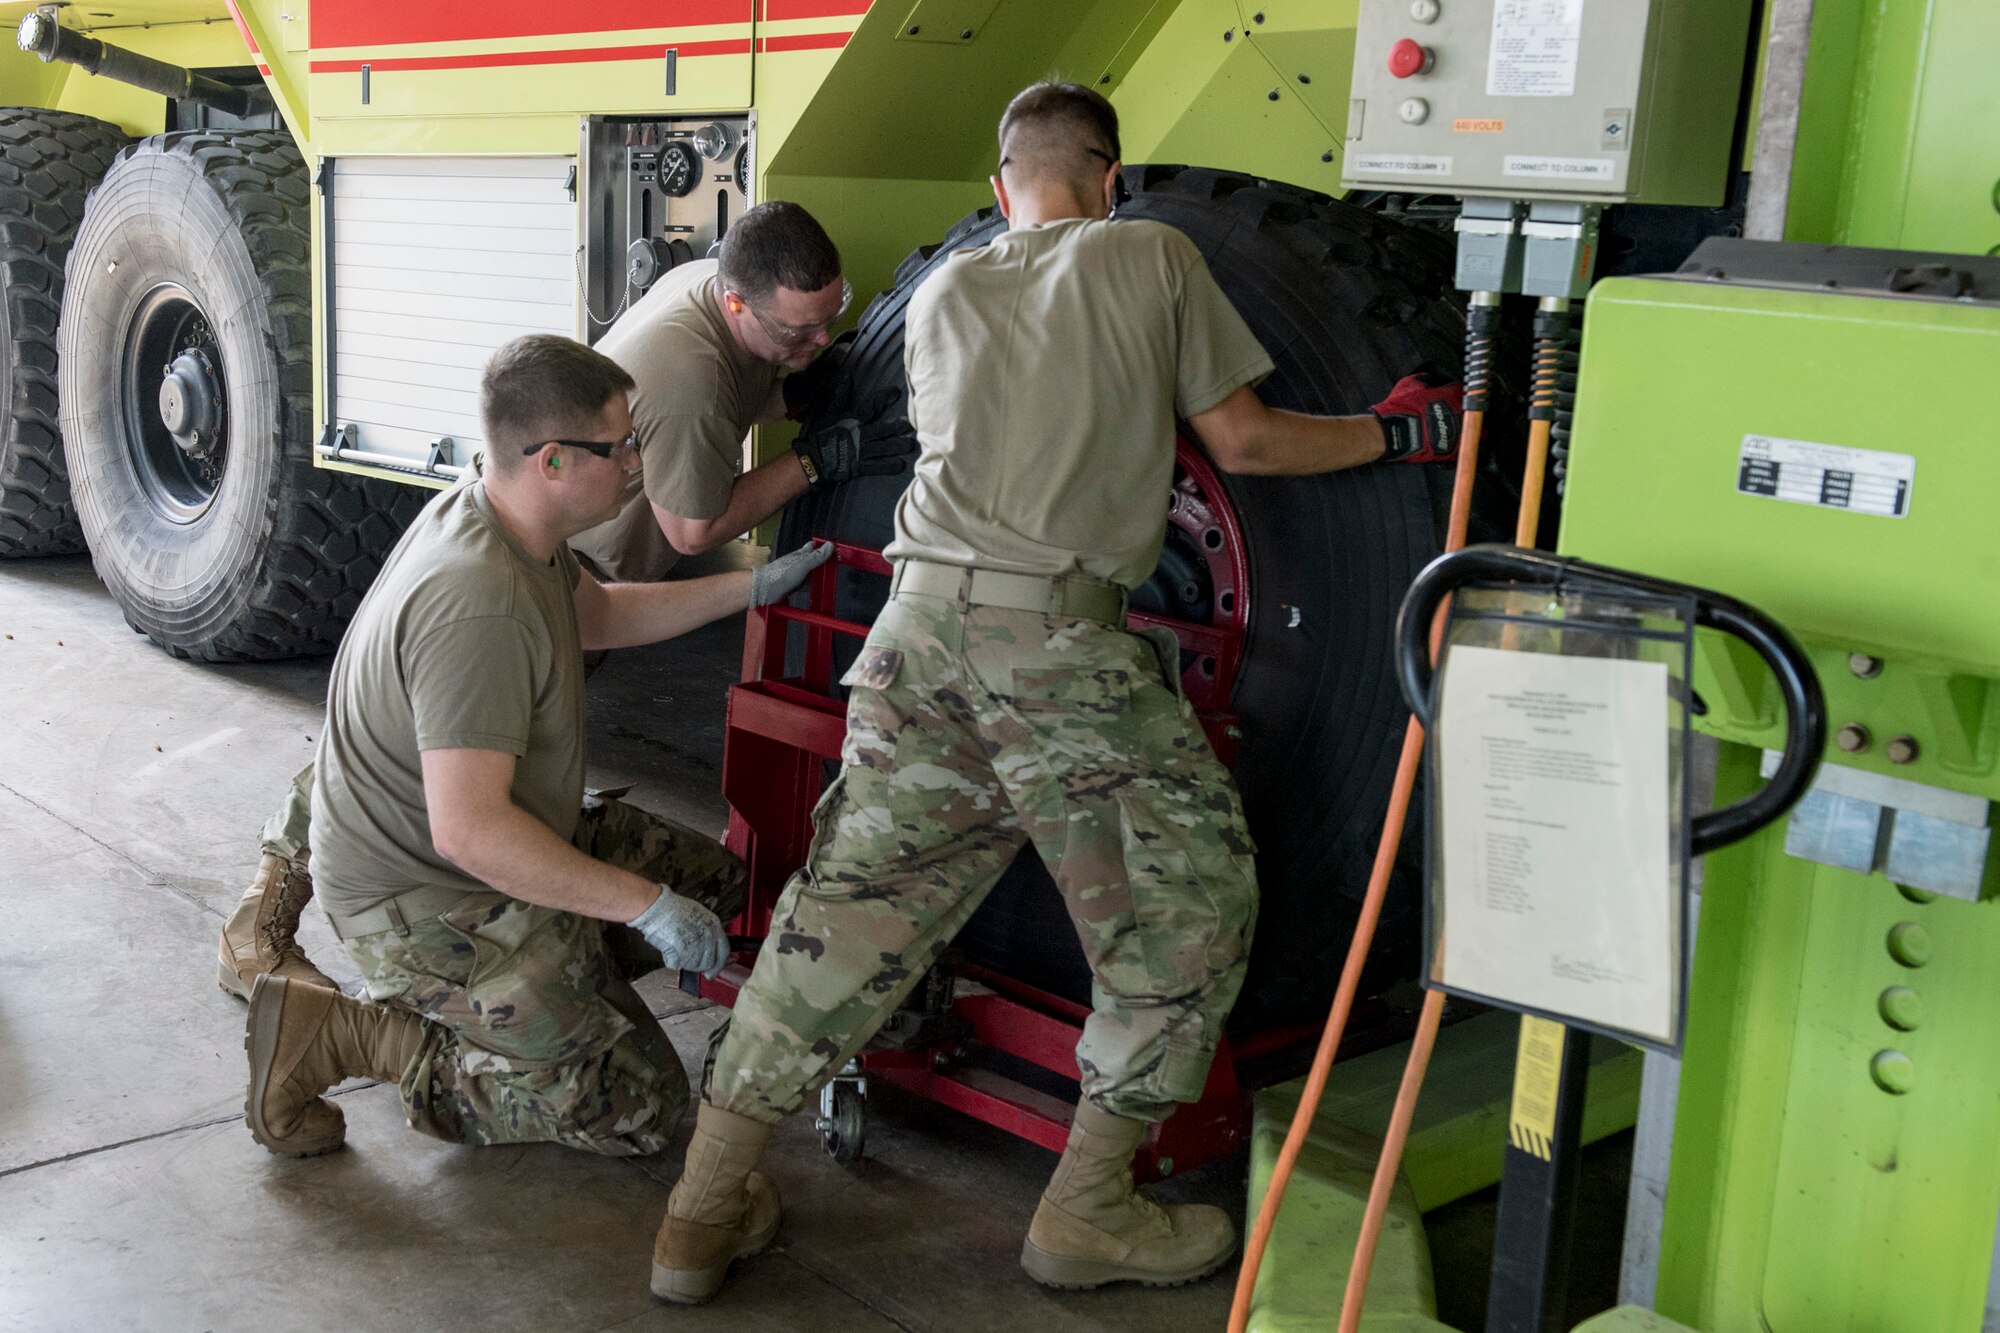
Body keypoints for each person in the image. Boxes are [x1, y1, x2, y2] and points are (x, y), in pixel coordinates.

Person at [646, 82, 1466, 1304]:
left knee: (842, 927)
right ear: (1112, 178)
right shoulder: (1153, 256)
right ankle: (1085, 1210)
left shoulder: (942, 292)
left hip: (913, 640)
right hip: (1053, 651)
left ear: (996, 191)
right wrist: (1398, 436)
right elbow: (1243, 443)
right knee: (1187, 912)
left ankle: (697, 1216)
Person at [215, 199, 910, 1002]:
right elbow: (693, 528)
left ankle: (294, 899)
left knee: (420, 739)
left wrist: (797, 398)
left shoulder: (720, 297)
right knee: (445, 751)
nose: (816, 341)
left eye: (831, 320)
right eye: (798, 332)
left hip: (572, 574)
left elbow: (736, 401)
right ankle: (346, 947)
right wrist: (812, 464)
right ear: (735, 304)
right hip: (563, 567)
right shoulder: (684, 378)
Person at [241, 334, 833, 1160]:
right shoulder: (477, 604)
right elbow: (469, 832)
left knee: (718, 884)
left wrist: (753, 586)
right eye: (621, 445)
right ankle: (351, 1034)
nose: (637, 461)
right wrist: (641, 904)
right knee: (638, 1104)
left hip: (485, 842)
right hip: (427, 901)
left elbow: (602, 615)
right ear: (552, 460)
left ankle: (545, 987)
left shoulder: (510, 521)